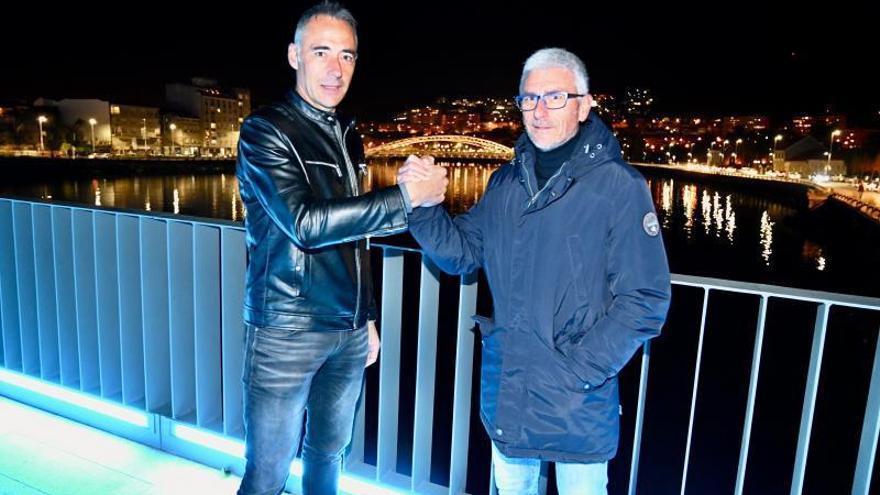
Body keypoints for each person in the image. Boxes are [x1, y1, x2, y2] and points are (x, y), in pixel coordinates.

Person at [398, 48, 671, 494]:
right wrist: (424, 206)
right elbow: (462, 254)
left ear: (584, 105)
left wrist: (579, 370)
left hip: (577, 398)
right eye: (529, 98)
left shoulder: (620, 187)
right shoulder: (505, 183)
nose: (539, 110)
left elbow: (646, 300)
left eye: (554, 97)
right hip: (512, 391)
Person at [234, 3, 447, 494]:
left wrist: (366, 317)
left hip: (348, 332)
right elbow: (305, 224)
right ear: (294, 56)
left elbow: (355, 238)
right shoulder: (265, 130)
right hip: (286, 330)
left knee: (329, 452)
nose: (336, 69)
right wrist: (406, 198)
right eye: (322, 52)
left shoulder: (348, 134)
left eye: (347, 56)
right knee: (267, 473)